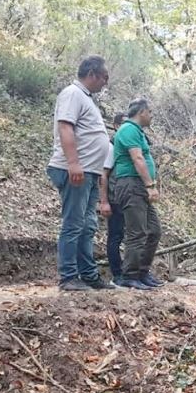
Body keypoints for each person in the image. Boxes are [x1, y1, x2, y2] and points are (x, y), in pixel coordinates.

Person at [47, 56, 115, 291]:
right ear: (93, 74)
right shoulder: (72, 93)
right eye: (104, 77)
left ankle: (88, 275)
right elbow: (65, 126)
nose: (106, 82)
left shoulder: (86, 98)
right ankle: (68, 277)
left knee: (87, 226)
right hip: (76, 170)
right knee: (74, 224)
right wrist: (73, 163)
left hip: (90, 172)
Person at [112, 98, 163, 290]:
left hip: (140, 186)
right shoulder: (128, 130)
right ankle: (129, 275)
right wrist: (150, 185)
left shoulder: (138, 132)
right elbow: (137, 158)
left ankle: (142, 272)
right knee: (137, 232)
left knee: (154, 230)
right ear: (141, 112)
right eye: (149, 112)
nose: (151, 116)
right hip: (132, 185)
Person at [99, 112, 126, 286]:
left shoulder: (127, 145)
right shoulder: (111, 146)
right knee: (115, 236)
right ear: (115, 126)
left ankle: (129, 272)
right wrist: (104, 201)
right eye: (123, 124)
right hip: (115, 198)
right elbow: (103, 174)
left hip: (127, 198)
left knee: (129, 235)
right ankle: (117, 274)